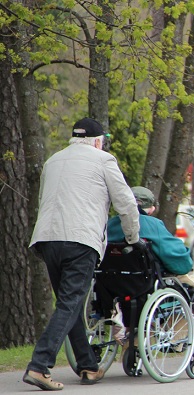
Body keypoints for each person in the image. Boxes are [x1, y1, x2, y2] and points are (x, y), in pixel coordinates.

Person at [25, 118, 141, 390]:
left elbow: (45, 199)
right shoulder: (104, 160)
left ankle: (88, 366)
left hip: (47, 239)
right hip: (80, 240)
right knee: (69, 303)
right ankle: (39, 366)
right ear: (98, 141)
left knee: (71, 304)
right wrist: (133, 238)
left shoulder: (53, 160)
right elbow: (125, 202)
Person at [105, 186, 194, 345]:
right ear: (151, 209)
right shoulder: (152, 225)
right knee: (193, 285)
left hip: (111, 285)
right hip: (144, 284)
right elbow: (181, 264)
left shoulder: (110, 225)